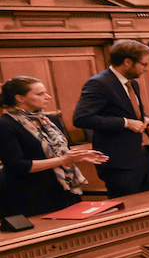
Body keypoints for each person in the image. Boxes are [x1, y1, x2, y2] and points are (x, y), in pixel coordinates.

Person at [0, 75, 106, 217]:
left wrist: (78, 156)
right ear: (20, 98)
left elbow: (63, 151)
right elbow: (17, 165)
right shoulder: (5, 125)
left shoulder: (50, 120)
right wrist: (63, 161)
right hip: (29, 194)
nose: (48, 97)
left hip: (63, 188)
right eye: (40, 94)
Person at [73, 38, 149, 197]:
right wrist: (125, 123)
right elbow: (82, 118)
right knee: (131, 211)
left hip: (144, 156)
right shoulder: (99, 83)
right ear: (127, 62)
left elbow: (129, 111)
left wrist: (145, 119)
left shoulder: (132, 83)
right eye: (144, 64)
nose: (146, 69)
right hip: (120, 163)